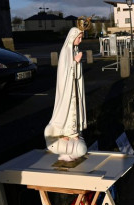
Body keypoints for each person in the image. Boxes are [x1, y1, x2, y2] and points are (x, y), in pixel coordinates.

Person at [44, 26, 87, 161]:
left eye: (81, 38)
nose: (80, 40)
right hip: (67, 88)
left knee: (74, 107)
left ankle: (72, 131)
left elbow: (75, 71)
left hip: (73, 86)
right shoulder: (66, 51)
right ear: (72, 37)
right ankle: (64, 131)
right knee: (67, 107)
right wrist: (76, 62)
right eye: (78, 38)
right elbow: (65, 72)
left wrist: (77, 63)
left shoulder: (74, 49)